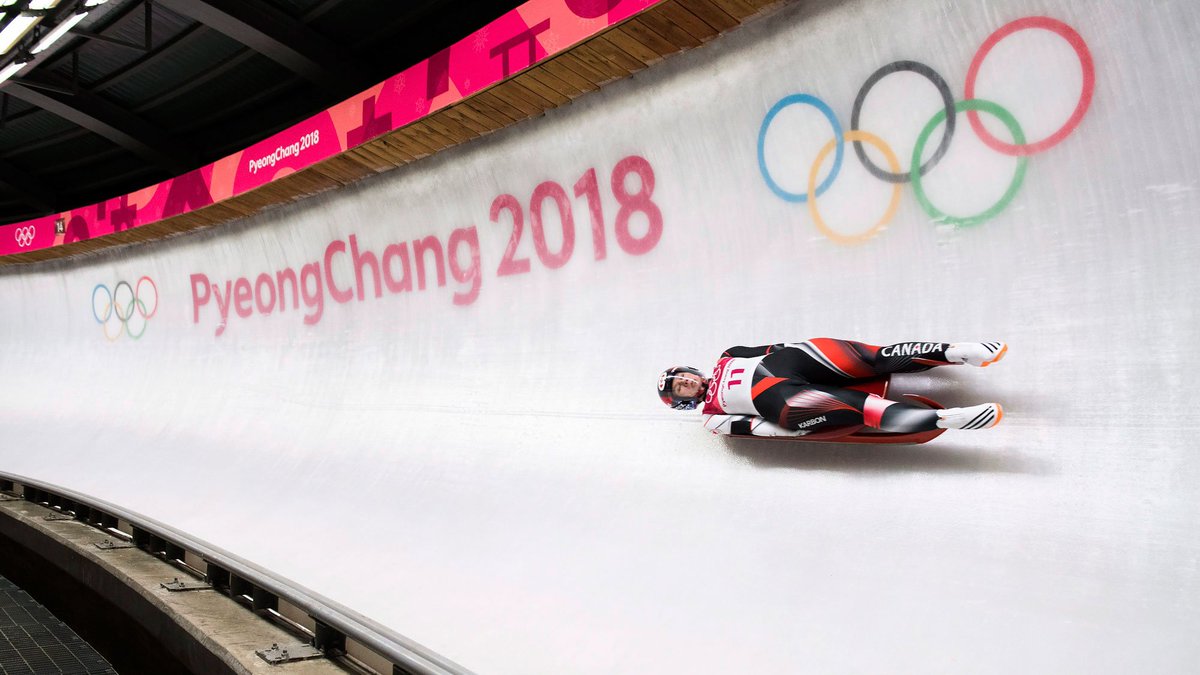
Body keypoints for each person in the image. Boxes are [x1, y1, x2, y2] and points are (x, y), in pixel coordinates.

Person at [657, 339, 1006, 437]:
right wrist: (795, 431)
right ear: (683, 402)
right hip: (782, 402)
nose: (686, 382)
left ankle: (956, 352)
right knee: (863, 408)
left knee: (872, 356)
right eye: (681, 389)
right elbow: (754, 428)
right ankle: (948, 419)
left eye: (682, 376)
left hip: (792, 361)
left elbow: (772, 350)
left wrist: (801, 350)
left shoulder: (728, 354)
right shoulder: (711, 416)